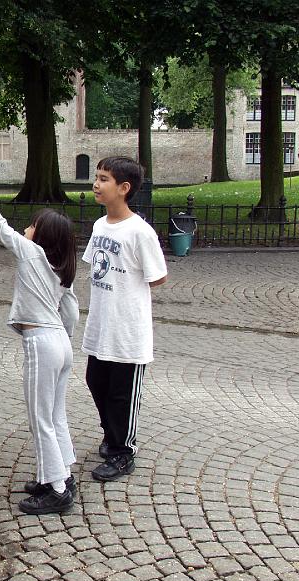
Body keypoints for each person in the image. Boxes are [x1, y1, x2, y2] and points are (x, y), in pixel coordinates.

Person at [0, 171, 80, 515]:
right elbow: (72, 312)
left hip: (41, 342)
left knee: (39, 418)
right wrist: (64, 341)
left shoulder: (31, 254)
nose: (27, 229)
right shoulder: (62, 269)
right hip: (61, 343)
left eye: (32, 225)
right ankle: (61, 474)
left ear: (41, 236)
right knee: (55, 414)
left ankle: (58, 491)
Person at [82, 156, 167, 481]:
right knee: (96, 382)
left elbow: (158, 276)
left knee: (122, 394)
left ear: (124, 188)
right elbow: (95, 262)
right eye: (97, 177)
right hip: (101, 326)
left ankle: (123, 451)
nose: (96, 184)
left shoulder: (140, 232)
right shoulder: (100, 225)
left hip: (128, 332)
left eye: (104, 179)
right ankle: (112, 434)